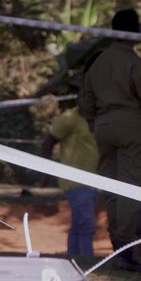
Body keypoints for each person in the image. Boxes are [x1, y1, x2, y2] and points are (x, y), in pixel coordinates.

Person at [80, 8, 141, 271]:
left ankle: (117, 243)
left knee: (111, 185)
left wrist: (96, 124)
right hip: (132, 127)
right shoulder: (136, 64)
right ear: (133, 33)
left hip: (103, 126)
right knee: (131, 186)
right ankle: (125, 247)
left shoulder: (98, 62)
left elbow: (85, 102)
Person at [42, 106, 99, 255]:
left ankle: (73, 258)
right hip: (76, 181)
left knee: (78, 224)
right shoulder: (69, 118)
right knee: (87, 224)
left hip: (94, 181)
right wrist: (46, 171)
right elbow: (48, 142)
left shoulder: (100, 116)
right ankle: (87, 261)